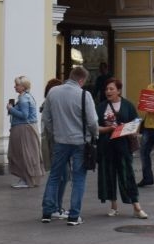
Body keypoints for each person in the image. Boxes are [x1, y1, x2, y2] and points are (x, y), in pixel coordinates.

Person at [40, 65, 98, 225]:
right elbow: (93, 122)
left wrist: (56, 133)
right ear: (81, 80)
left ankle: (47, 212)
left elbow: (46, 118)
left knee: (54, 176)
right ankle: (74, 216)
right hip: (80, 142)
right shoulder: (84, 95)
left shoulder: (53, 92)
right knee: (78, 178)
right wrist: (94, 135)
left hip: (60, 141)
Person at [96, 79, 148, 219]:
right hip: (106, 146)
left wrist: (132, 130)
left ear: (119, 90)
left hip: (123, 146)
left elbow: (136, 123)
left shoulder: (127, 106)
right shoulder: (101, 107)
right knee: (109, 175)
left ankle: (136, 206)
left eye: (112, 89)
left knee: (127, 175)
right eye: (107, 89)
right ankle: (113, 206)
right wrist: (108, 129)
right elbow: (95, 128)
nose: (108, 91)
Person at [6, 75, 45, 189]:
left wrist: (11, 109)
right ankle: (29, 178)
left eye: (17, 85)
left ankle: (26, 179)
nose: (15, 87)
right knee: (29, 154)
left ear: (23, 87)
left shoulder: (23, 99)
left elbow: (24, 115)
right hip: (28, 128)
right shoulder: (28, 97)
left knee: (24, 154)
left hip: (24, 128)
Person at [39, 77, 69, 218]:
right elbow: (50, 127)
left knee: (61, 176)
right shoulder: (50, 105)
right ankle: (54, 207)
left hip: (55, 143)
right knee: (60, 176)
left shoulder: (48, 104)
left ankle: (53, 207)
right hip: (56, 144)